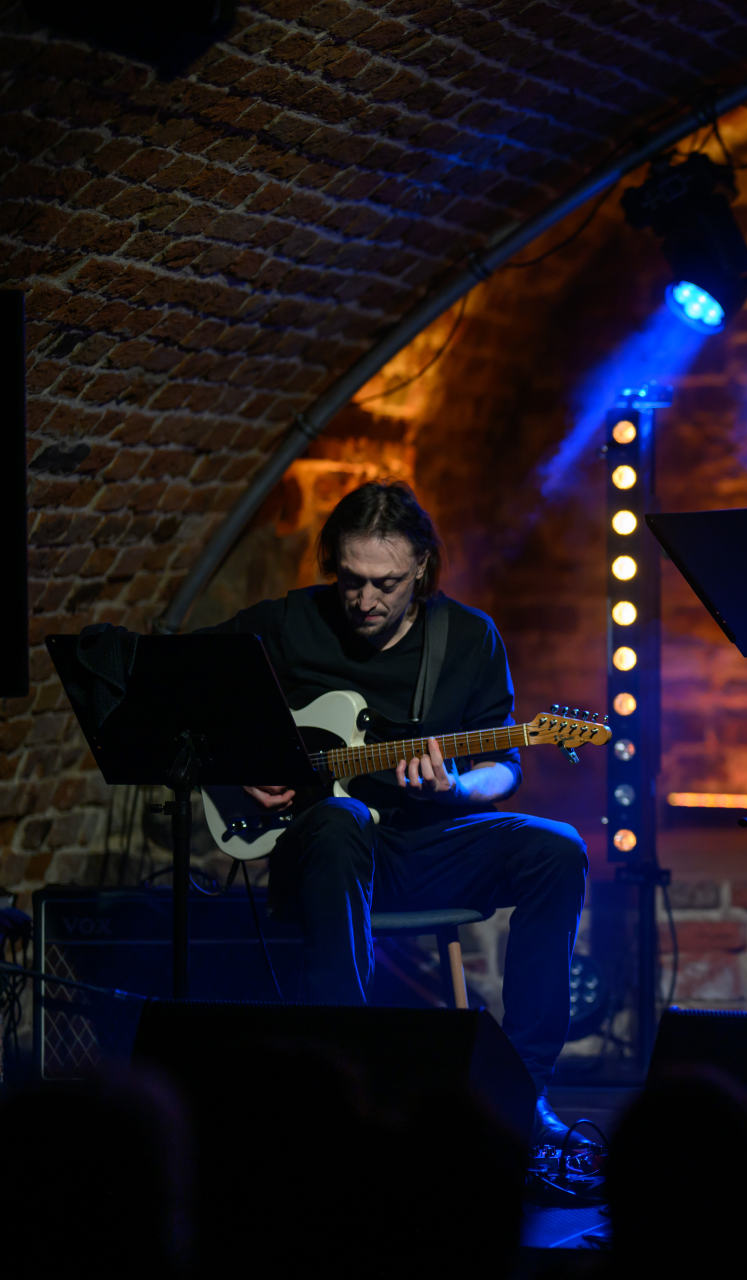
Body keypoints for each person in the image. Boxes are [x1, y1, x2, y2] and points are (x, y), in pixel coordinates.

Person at [207, 480, 589, 1143]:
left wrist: (454, 791)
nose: (365, 600)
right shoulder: (291, 623)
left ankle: (523, 1090)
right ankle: (343, 1081)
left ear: (421, 568)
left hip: (425, 846)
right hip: (323, 854)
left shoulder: (468, 638)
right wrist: (240, 764)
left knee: (558, 847)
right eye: (351, 580)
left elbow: (504, 767)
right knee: (343, 819)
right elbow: (189, 681)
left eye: (385, 583)